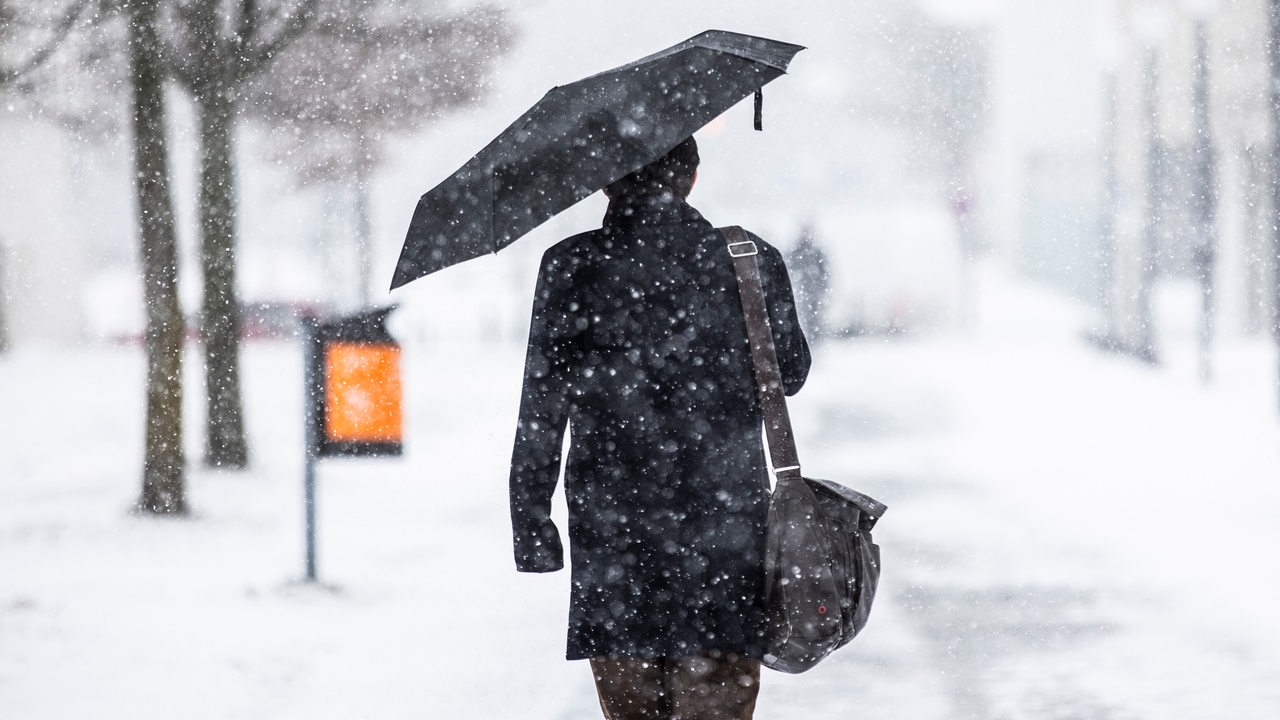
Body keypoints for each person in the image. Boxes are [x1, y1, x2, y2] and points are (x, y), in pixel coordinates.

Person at [508, 136, 811, 719]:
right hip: (725, 533)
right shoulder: (750, 259)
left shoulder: (571, 265)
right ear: (692, 177)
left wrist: (532, 523)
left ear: (604, 183)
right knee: (716, 701)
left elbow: (541, 404)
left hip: (614, 536)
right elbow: (791, 375)